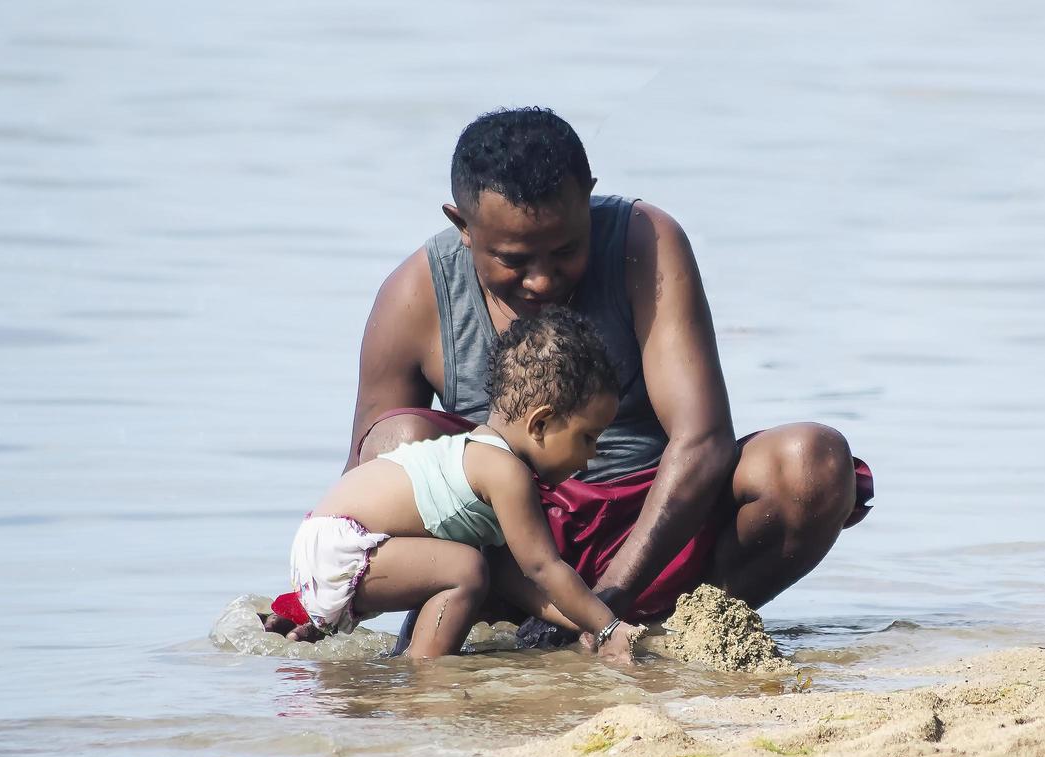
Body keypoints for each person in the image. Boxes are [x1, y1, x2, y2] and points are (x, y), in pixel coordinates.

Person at [268, 106, 873, 646]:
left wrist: (607, 604)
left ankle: (684, 630)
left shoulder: (645, 242)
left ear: (588, 198)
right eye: (511, 259)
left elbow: (702, 439)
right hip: (513, 549)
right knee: (396, 440)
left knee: (812, 462)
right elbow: (362, 487)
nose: (541, 280)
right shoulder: (415, 296)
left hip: (658, 527)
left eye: (563, 250)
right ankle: (505, 633)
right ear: (463, 225)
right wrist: (314, 601)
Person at [272, 309, 644, 663]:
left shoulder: (475, 456)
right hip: (345, 545)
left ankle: (333, 631)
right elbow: (544, 568)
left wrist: (584, 624)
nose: (591, 456)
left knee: (473, 565)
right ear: (540, 424)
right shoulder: (505, 472)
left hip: (326, 543)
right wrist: (608, 626)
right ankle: (428, 674)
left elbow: (510, 577)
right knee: (466, 568)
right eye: (588, 438)